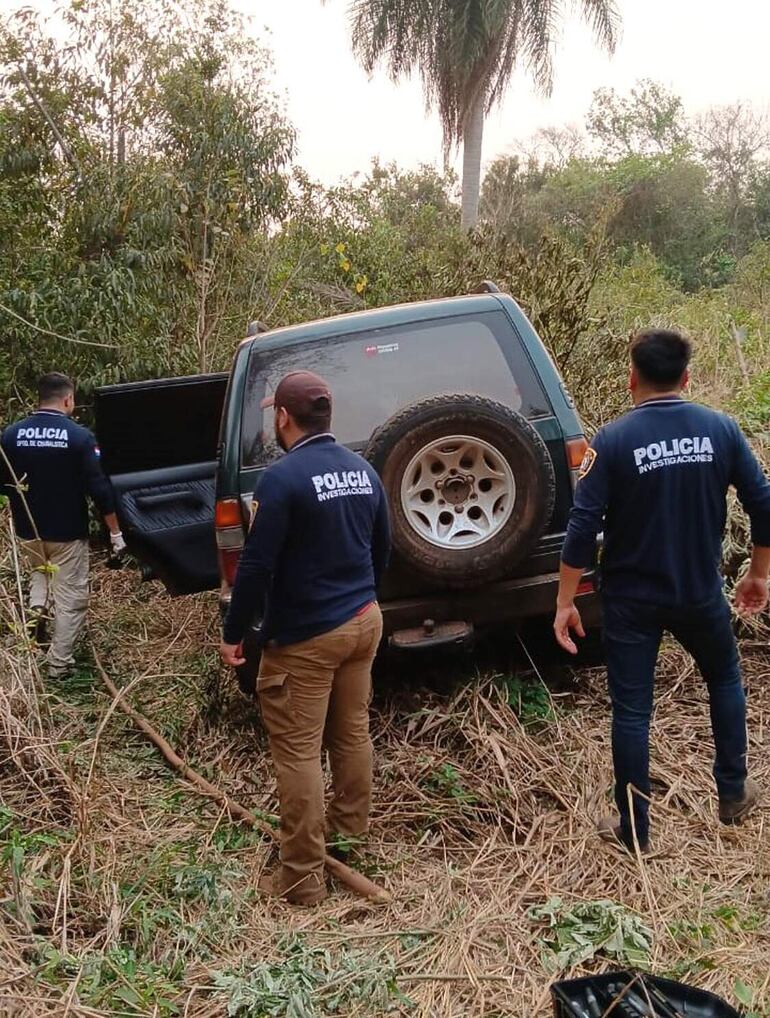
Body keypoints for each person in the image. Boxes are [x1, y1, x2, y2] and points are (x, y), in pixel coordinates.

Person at [553, 329, 770, 852]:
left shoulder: (610, 441)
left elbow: (582, 526)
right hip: (699, 590)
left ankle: (634, 831)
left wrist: (564, 601)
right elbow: (762, 502)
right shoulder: (721, 428)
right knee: (723, 678)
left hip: (631, 602)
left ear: (632, 378)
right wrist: (759, 572)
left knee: (631, 711)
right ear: (687, 378)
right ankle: (734, 791)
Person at [219, 370, 391, 905]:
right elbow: (382, 549)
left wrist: (234, 632)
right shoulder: (363, 470)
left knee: (297, 753)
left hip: (308, 639)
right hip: (364, 621)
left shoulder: (282, 479)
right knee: (351, 733)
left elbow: (255, 567)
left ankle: (300, 877)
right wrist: (359, 596)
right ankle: (349, 837)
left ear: (283, 417)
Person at [1, 372, 125, 677]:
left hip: (29, 531)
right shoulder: (79, 437)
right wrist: (115, 532)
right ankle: (59, 665)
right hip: (67, 534)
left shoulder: (10, 435)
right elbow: (100, 489)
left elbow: (4, 485)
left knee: (40, 580)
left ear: (39, 398)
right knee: (71, 598)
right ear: (68, 399)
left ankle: (32, 644)